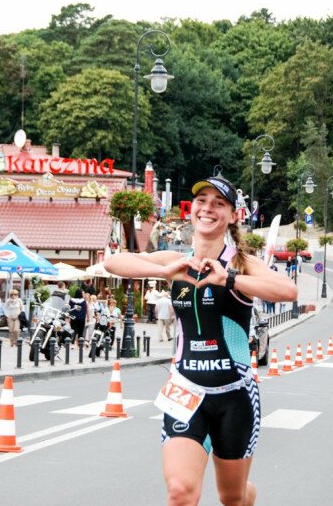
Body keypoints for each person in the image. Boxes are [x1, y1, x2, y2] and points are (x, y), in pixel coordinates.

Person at [104, 176, 297, 506]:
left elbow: (288, 291)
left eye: (218, 204)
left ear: (233, 216)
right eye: (201, 201)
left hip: (234, 395)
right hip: (185, 391)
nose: (208, 209)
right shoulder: (174, 259)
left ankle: (246, 496)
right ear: (191, 210)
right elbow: (111, 262)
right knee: (180, 493)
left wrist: (231, 279)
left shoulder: (241, 263)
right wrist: (165, 272)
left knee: (233, 497)